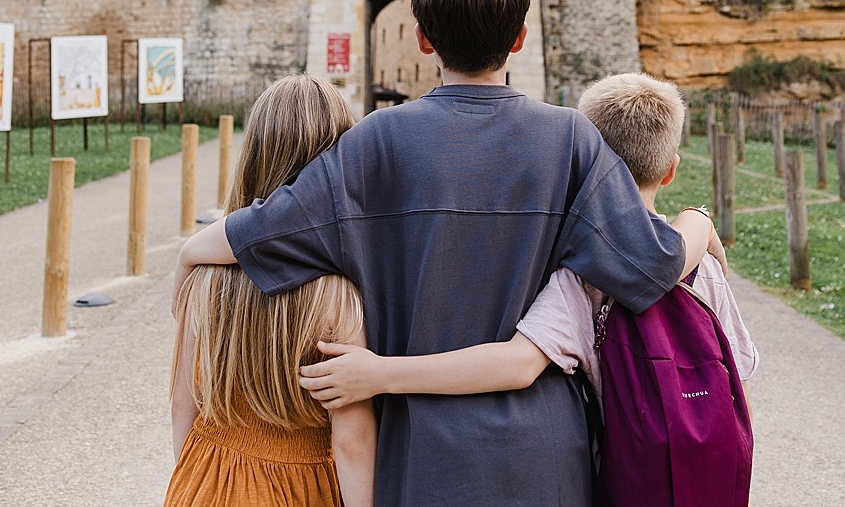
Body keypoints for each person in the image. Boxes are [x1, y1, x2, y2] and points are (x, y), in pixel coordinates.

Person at [177, 0, 687, 507]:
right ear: (519, 38)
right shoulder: (571, 141)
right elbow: (653, 265)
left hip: (420, 458)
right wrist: (701, 226)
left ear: (422, 38)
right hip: (543, 458)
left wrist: (188, 258)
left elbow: (254, 235)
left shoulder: (375, 143)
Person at [295, 73, 756, 407]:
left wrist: (381, 373)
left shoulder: (581, 272)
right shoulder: (707, 266)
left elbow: (518, 364)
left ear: (589, 164)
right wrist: (699, 219)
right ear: (671, 169)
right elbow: (738, 378)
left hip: (618, 471)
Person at [165, 75, 376, 507]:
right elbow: (351, 441)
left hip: (206, 478)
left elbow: (182, 405)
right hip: (303, 488)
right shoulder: (336, 298)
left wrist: (191, 479)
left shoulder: (206, 277)